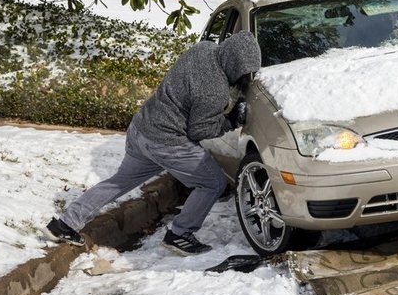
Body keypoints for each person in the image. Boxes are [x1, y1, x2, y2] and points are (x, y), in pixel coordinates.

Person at [45, 31, 262, 255]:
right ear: (235, 64)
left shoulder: (203, 49)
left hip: (141, 129)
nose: (244, 76)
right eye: (243, 71)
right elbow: (199, 130)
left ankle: (64, 224)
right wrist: (230, 121)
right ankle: (179, 234)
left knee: (120, 182)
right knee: (213, 183)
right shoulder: (214, 91)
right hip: (167, 142)